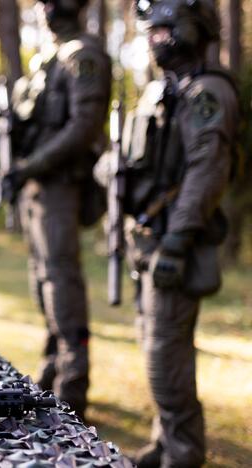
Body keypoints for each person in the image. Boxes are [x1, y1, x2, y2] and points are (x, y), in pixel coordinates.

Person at [96, 1, 238, 465]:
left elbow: (207, 170)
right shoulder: (164, 92)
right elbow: (133, 162)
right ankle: (166, 442)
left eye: (163, 29)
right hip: (148, 242)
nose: (154, 39)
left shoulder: (206, 92)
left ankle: (182, 453)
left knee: (165, 357)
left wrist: (177, 241)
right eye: (150, 32)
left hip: (176, 244)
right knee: (155, 348)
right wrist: (110, 167)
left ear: (192, 29)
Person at [1, 0, 111, 420]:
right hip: (37, 186)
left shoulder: (83, 55)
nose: (47, 7)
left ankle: (73, 383)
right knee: (42, 278)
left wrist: (33, 165)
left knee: (62, 282)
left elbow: (84, 127)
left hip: (61, 185)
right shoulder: (47, 57)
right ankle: (52, 366)